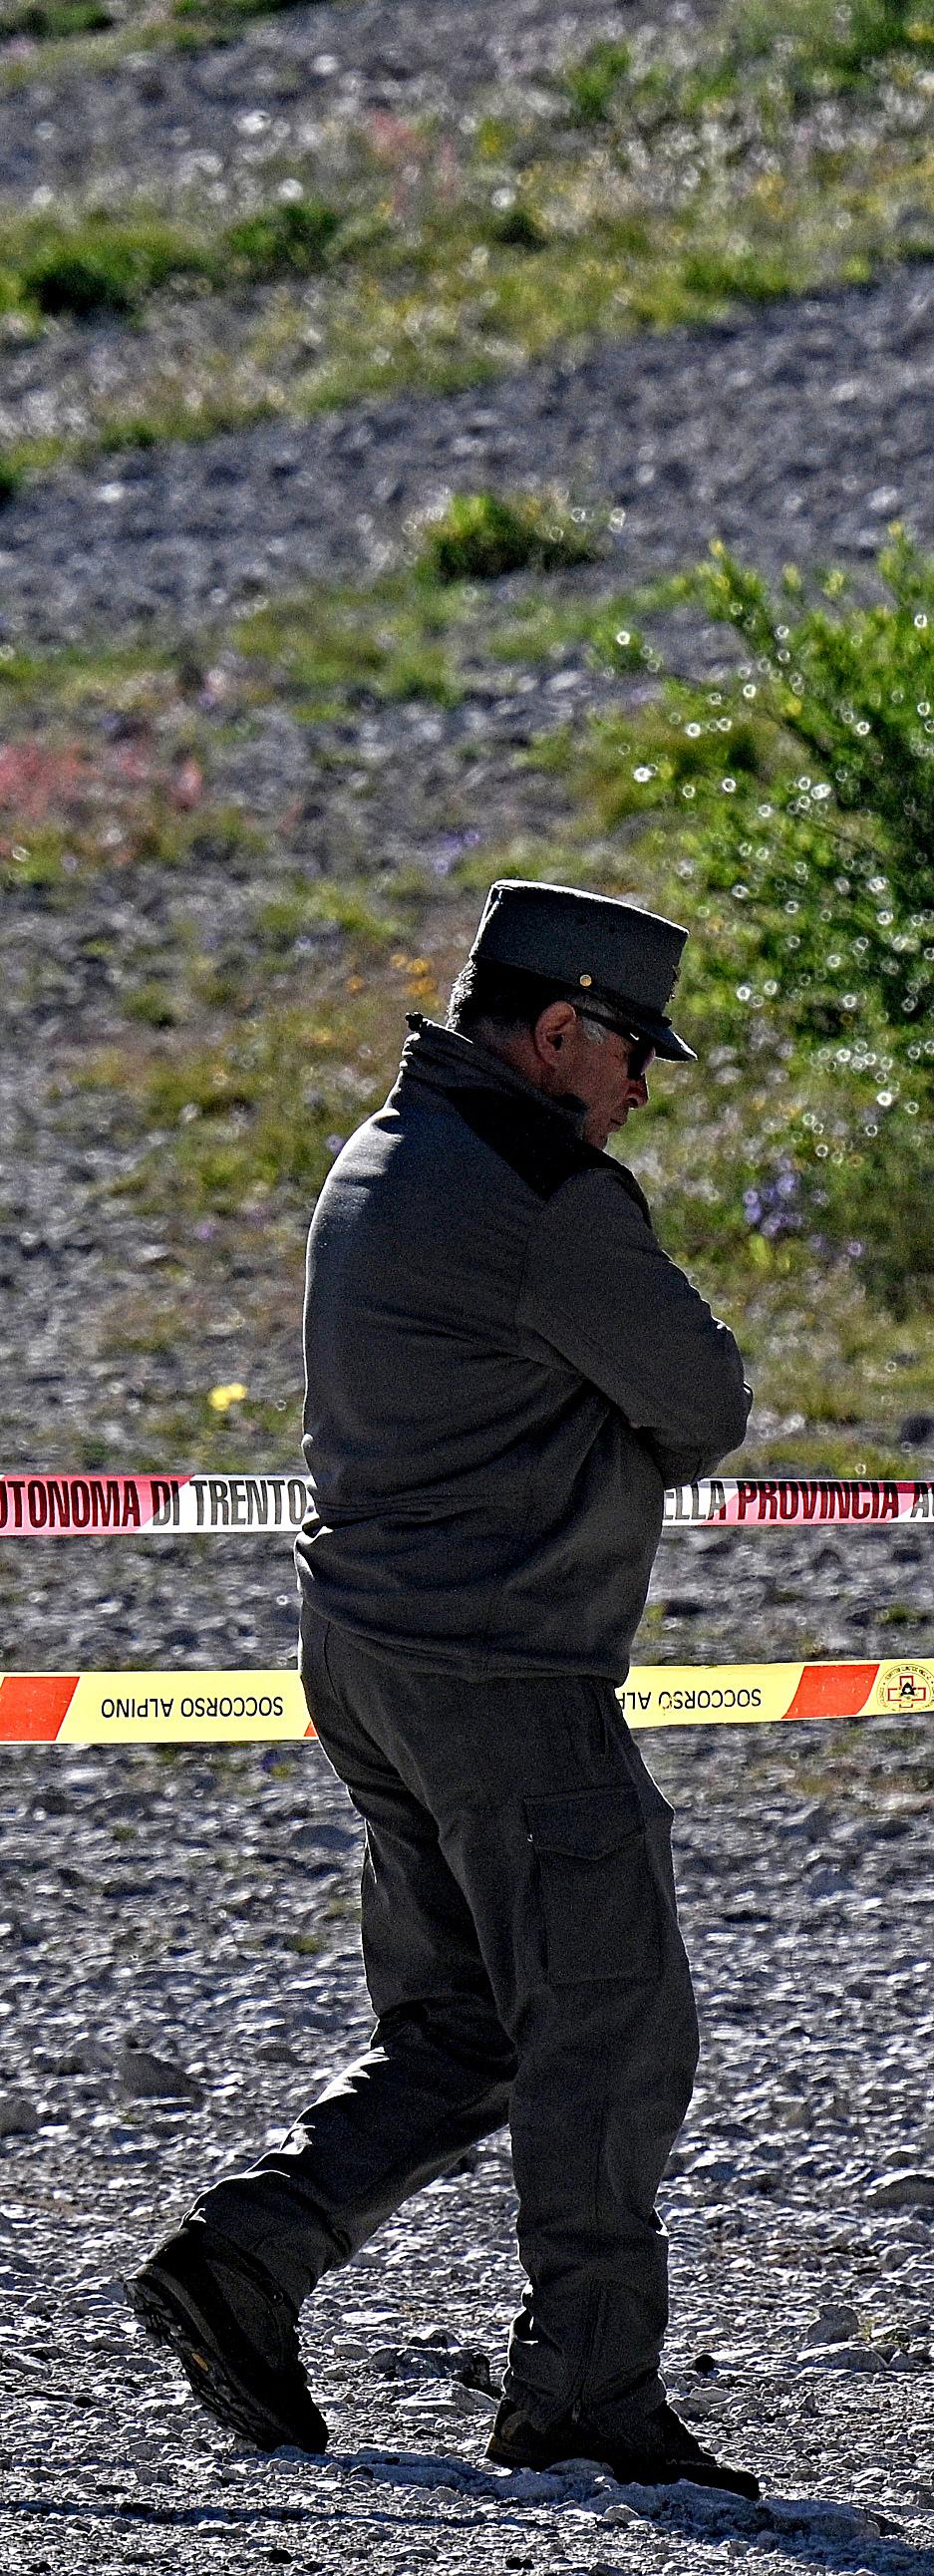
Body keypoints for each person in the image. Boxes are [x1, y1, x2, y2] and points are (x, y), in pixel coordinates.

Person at [130, 880, 759, 2493]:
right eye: (629, 1050)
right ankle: (586, 2395)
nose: (640, 1087)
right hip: (506, 1675)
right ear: (557, 1029)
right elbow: (703, 1398)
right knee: (608, 2025)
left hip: (368, 1657)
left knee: (468, 2021)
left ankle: (246, 2257)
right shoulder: (547, 1192)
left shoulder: (378, 1152)